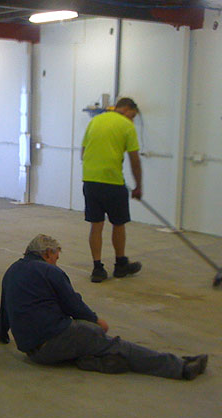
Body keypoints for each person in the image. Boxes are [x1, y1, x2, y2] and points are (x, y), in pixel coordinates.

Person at [0, 234, 208, 380]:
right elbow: (73, 305)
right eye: (56, 256)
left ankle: (92, 360)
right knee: (115, 343)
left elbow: (5, 306)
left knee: (91, 340)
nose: (57, 261)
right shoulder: (50, 271)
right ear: (47, 254)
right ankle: (180, 368)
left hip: (33, 353)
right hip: (54, 341)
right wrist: (96, 321)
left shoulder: (11, 271)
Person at [81, 97, 143, 283]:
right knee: (118, 223)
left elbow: (83, 153)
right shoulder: (127, 126)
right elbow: (134, 159)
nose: (132, 119)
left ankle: (97, 268)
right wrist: (138, 186)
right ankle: (120, 265)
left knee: (96, 225)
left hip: (90, 181)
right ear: (127, 109)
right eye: (132, 116)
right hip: (113, 183)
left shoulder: (95, 121)